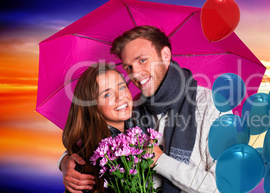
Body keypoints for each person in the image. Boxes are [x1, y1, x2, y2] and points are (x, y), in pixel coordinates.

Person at [60, 25, 224, 192]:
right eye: (129, 67)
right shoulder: (134, 108)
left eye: (142, 60)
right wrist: (67, 162)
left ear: (165, 55)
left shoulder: (212, 106)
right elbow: (98, 139)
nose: (136, 74)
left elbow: (224, 186)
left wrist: (161, 161)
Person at [61, 63, 133, 192]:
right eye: (107, 94)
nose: (120, 97)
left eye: (122, 87)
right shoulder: (88, 159)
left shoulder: (140, 129)